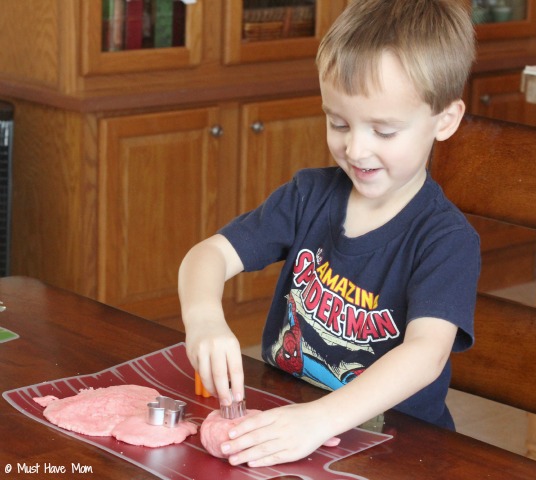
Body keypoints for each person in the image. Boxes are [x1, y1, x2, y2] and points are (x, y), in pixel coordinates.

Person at [178, 0, 479, 468]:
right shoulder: (308, 195)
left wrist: (320, 420)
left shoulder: (445, 240)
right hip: (291, 424)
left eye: (384, 130)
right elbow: (208, 255)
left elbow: (425, 355)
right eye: (338, 122)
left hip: (394, 453)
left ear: (446, 120)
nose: (355, 147)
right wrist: (204, 319)